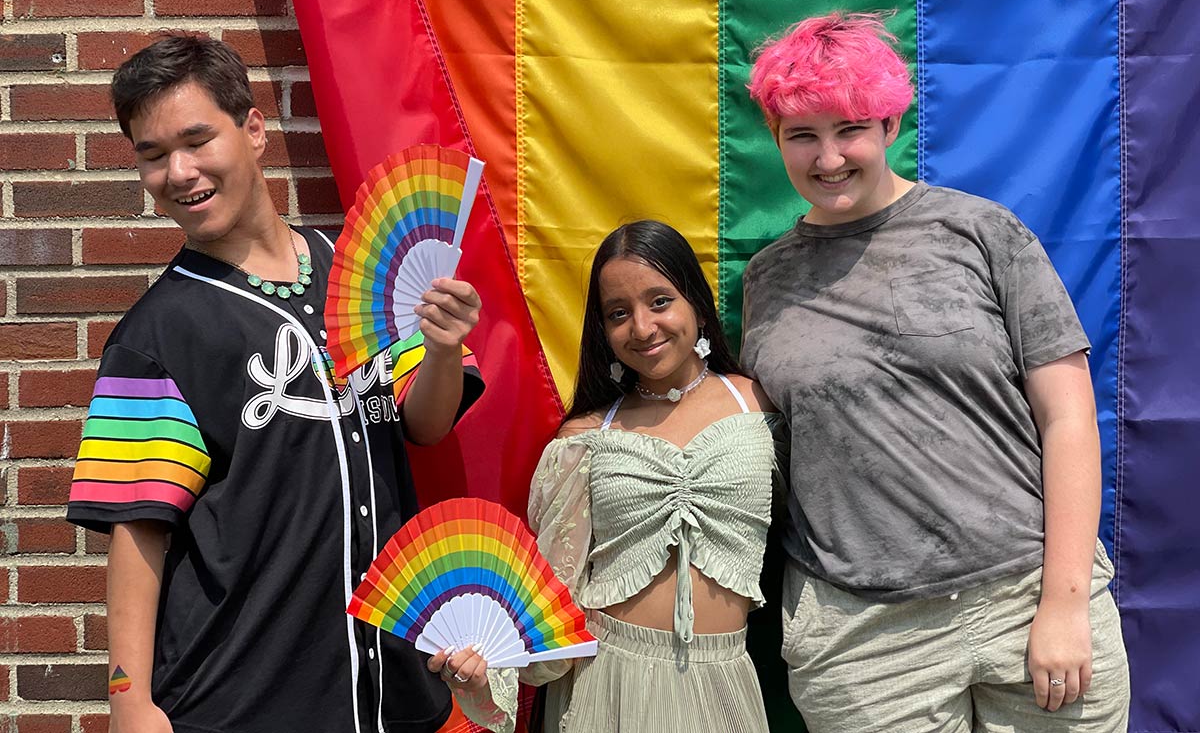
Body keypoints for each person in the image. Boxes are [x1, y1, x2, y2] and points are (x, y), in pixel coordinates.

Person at [65, 36, 485, 733]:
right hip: (241, 698)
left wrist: (442, 348)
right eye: (152, 154)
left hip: (389, 694)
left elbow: (424, 425)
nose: (179, 171)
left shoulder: (363, 269)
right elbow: (137, 531)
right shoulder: (156, 336)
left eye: (198, 139)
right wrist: (129, 700)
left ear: (253, 131)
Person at [740, 12, 1130, 732]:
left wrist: (1065, 604)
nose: (828, 158)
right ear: (777, 141)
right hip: (862, 644)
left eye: (849, 129)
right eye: (803, 135)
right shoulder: (766, 280)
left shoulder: (984, 233)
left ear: (890, 126)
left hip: (1028, 601)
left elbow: (1068, 417)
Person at [431, 220, 781, 732]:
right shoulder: (584, 437)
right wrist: (486, 678)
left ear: (697, 305)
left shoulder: (761, 405)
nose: (642, 328)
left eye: (660, 301)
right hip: (608, 688)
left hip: (726, 687)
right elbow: (554, 602)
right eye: (619, 314)